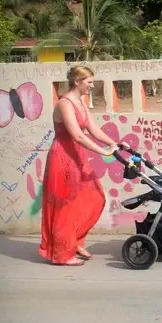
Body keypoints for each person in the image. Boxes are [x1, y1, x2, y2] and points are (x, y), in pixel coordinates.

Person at [39, 66, 118, 266]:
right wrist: (104, 152)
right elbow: (78, 135)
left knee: (92, 196)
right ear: (77, 81)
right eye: (89, 81)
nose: (92, 85)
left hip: (77, 156)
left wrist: (113, 143)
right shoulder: (65, 104)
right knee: (65, 205)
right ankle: (63, 253)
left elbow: (92, 129)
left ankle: (73, 241)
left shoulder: (81, 102)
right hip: (63, 158)